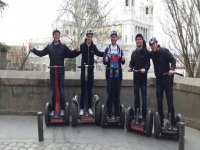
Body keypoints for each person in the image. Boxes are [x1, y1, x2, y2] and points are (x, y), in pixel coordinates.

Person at [29, 29, 80, 117]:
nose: (56, 36)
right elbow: (41, 53)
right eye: (55, 35)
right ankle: (53, 109)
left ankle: (63, 109)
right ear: (53, 36)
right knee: (53, 91)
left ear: (59, 36)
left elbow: (71, 54)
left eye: (58, 35)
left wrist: (77, 51)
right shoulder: (49, 47)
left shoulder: (63, 46)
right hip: (53, 72)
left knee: (61, 91)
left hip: (60, 72)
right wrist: (32, 49)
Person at [74, 30, 104, 116]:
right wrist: (76, 50)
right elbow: (75, 53)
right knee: (83, 90)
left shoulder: (93, 47)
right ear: (86, 37)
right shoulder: (82, 46)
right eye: (88, 36)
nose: (90, 38)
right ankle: (82, 108)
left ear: (92, 38)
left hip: (90, 71)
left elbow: (98, 53)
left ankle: (90, 108)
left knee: (90, 90)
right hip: (83, 71)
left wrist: (106, 53)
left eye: (91, 36)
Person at [149, 37, 176, 126]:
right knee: (159, 101)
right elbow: (144, 54)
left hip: (167, 79)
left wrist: (172, 69)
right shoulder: (152, 54)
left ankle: (172, 122)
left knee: (170, 101)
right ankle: (160, 121)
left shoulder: (164, 51)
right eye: (151, 45)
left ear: (157, 43)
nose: (153, 46)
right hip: (159, 80)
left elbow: (173, 60)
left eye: (154, 44)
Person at [128, 33, 150, 125]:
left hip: (143, 79)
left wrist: (145, 69)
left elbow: (148, 64)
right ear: (136, 41)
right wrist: (130, 67)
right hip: (136, 78)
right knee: (136, 98)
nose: (138, 41)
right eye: (137, 39)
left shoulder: (146, 52)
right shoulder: (134, 53)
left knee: (144, 99)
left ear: (142, 40)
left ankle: (144, 117)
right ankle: (136, 115)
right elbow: (131, 63)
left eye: (140, 39)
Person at [103, 31, 125, 118]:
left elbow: (123, 62)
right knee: (110, 95)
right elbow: (104, 62)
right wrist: (105, 59)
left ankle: (116, 114)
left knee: (117, 95)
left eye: (115, 37)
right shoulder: (107, 49)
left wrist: (123, 58)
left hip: (117, 75)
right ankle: (108, 113)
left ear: (116, 38)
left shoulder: (119, 49)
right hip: (110, 75)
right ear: (110, 38)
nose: (113, 38)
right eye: (112, 37)